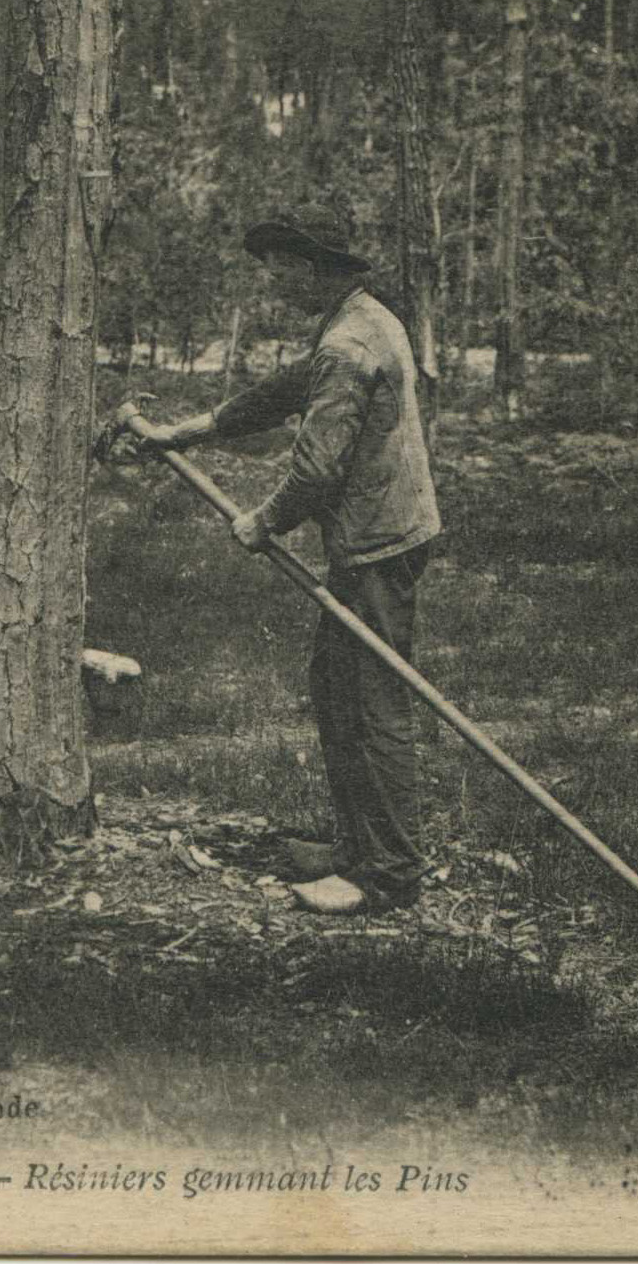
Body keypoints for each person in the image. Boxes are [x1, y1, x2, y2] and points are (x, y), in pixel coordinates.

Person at [128, 212, 440, 916]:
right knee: (336, 693)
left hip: (378, 544)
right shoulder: (356, 319)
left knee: (370, 706)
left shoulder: (347, 344)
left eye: (277, 269)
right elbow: (282, 393)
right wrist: (188, 431)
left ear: (311, 267)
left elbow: (317, 470)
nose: (271, 283)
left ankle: (388, 874)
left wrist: (261, 520)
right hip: (380, 533)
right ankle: (357, 847)